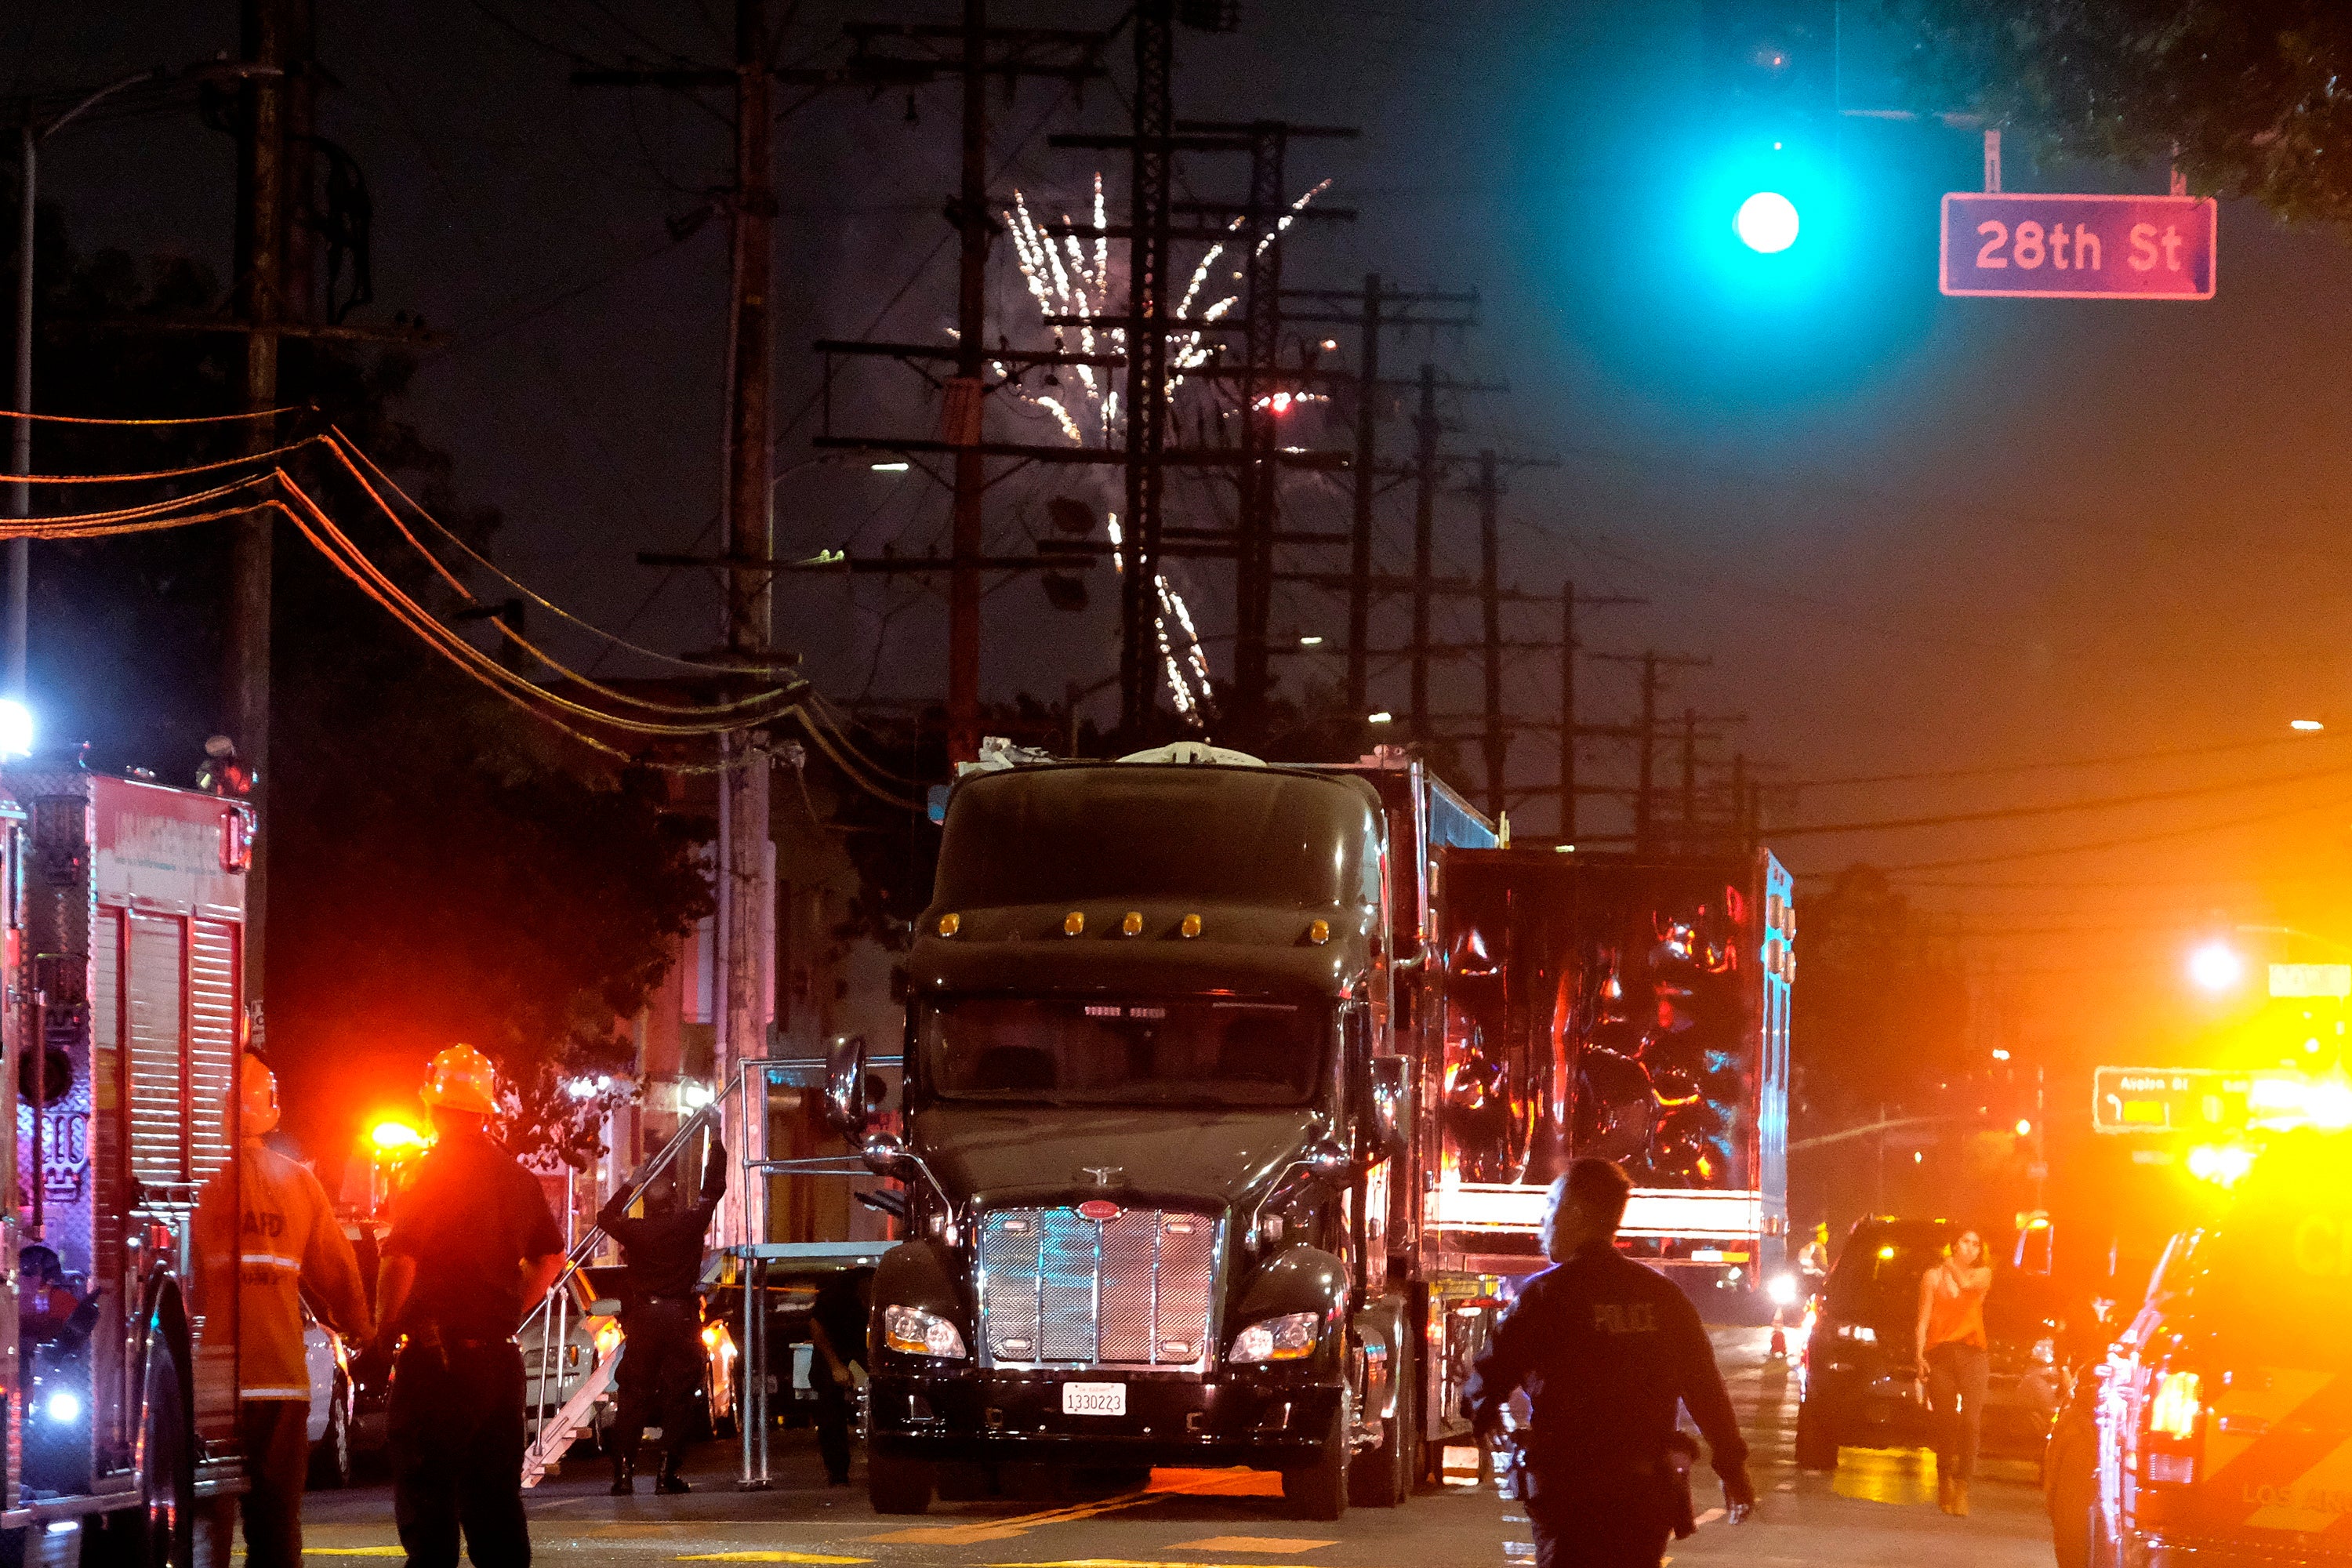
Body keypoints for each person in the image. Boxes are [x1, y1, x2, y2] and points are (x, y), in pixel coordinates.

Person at [1465, 1158, 1755, 1568]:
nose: (1543, 1220)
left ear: (1578, 1215)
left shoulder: (1546, 1296)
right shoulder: (1663, 1298)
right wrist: (1732, 1467)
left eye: (1552, 1207)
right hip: (1644, 1497)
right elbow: (1704, 1387)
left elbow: (1492, 1367)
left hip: (1570, 1498)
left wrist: (1482, 1408)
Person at [374, 1045, 567, 1568]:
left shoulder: (423, 1173)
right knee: (497, 1509)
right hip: (499, 1368)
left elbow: (401, 1260)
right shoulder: (518, 1179)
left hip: (437, 1365)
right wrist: (508, 1312)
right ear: (485, 1112)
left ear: (433, 1108)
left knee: (429, 1510)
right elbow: (550, 1258)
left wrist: (383, 1333)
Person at [235, 1052, 374, 1568]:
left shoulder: (189, 1177)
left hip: (203, 1384)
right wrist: (363, 1328)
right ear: (271, 1109)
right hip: (278, 1380)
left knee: (205, 1521)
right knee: (275, 1524)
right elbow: (339, 1272)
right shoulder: (297, 1183)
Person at [599, 1133, 728, 1494]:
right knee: (679, 1396)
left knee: (634, 1393)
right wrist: (715, 1140)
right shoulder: (688, 1224)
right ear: (673, 1200)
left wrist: (629, 1184)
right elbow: (713, 1189)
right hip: (680, 1317)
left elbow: (604, 1216)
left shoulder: (636, 1230)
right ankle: (666, 1473)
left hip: (645, 1318)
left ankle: (623, 1476)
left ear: (646, 1204)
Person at [1915, 1227, 1994, 1516]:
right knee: (1946, 1420)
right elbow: (1923, 1318)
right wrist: (1919, 1356)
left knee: (1972, 1421)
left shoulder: (1983, 1274)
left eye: (1976, 1244)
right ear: (1955, 1244)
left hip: (1973, 1353)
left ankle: (1963, 1487)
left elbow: (1963, 1284)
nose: (1971, 1248)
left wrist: (1950, 1263)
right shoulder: (1932, 1277)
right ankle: (1944, 1477)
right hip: (1941, 1354)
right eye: (1965, 1242)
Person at [807, 1266, 874, 1486]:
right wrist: (836, 1365)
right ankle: (837, 1472)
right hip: (835, 1350)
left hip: (867, 1350)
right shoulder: (839, 1294)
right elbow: (817, 1326)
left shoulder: (890, 1295)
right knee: (829, 1411)